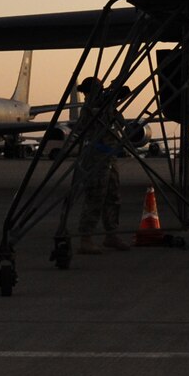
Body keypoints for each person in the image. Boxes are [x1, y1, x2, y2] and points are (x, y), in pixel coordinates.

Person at [72, 78, 130, 254]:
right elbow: (82, 128)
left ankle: (111, 234)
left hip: (109, 156)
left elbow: (122, 120)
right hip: (96, 156)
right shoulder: (89, 110)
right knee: (95, 196)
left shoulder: (107, 106)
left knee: (113, 195)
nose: (86, 96)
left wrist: (113, 98)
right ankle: (86, 238)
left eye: (88, 92)